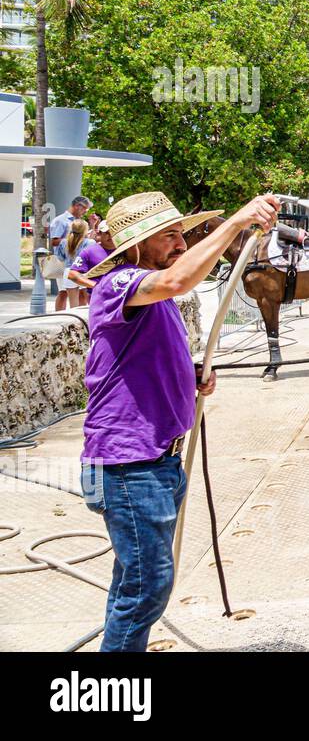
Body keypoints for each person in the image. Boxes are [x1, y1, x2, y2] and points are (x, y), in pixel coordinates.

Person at [79, 190, 280, 652]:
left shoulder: (153, 293)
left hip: (157, 463)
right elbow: (177, 282)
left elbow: (140, 356)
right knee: (149, 587)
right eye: (169, 235)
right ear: (135, 245)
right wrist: (236, 224)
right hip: (127, 466)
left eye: (181, 234)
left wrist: (189, 376)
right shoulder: (119, 284)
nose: (180, 243)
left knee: (135, 582)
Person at [48, 195, 91, 308]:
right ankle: (59, 318)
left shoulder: (78, 221)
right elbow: (54, 241)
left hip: (78, 264)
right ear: (77, 206)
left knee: (82, 293)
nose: (85, 212)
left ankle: (79, 318)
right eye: (85, 209)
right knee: (63, 293)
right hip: (64, 262)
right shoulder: (60, 220)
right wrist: (74, 240)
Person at [66, 221, 115, 299]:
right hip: (99, 298)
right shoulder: (89, 251)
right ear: (99, 234)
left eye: (113, 232)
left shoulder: (126, 250)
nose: (111, 236)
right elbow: (72, 274)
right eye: (107, 233)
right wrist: (96, 285)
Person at [55, 218, 90, 309]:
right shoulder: (89, 242)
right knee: (90, 302)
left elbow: (60, 258)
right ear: (85, 230)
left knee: (73, 305)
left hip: (69, 272)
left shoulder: (63, 242)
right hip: (84, 272)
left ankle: (74, 322)